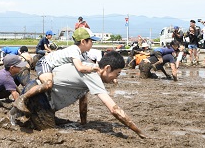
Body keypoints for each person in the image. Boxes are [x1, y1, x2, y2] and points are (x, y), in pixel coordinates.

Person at [11, 51, 147, 138]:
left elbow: (83, 101)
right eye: (116, 74)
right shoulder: (92, 74)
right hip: (39, 98)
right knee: (49, 133)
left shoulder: (88, 67)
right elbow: (114, 109)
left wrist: (83, 123)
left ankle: (24, 118)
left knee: (55, 124)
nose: (115, 78)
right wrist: (139, 132)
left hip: (36, 91)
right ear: (107, 68)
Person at [13, 27, 100, 113]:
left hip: (53, 66)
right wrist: (93, 68)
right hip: (45, 63)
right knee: (48, 84)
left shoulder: (83, 54)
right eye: (92, 41)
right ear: (83, 42)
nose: (92, 44)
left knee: (51, 90)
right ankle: (22, 99)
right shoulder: (74, 50)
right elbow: (80, 67)